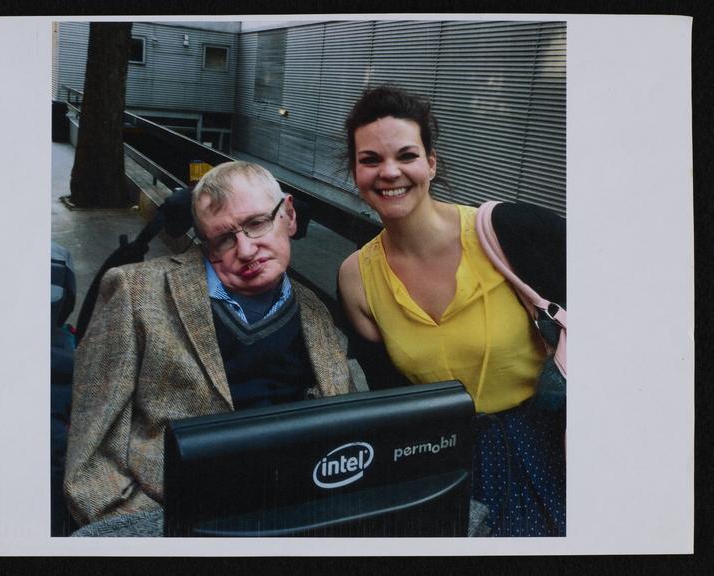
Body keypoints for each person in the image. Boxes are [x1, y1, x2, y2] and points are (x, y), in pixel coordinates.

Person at [64, 161, 357, 529]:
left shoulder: (316, 314)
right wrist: (154, 529)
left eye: (256, 223)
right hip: (167, 515)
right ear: (205, 243)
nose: (246, 250)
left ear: (290, 215)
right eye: (223, 239)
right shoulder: (135, 292)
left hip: (298, 510)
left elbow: (347, 428)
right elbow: (91, 449)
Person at [338, 85, 566, 536]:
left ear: (431, 163)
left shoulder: (510, 232)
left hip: (547, 447)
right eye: (370, 160)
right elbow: (389, 396)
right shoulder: (355, 278)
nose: (389, 172)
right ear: (354, 171)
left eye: (406, 155)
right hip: (439, 459)